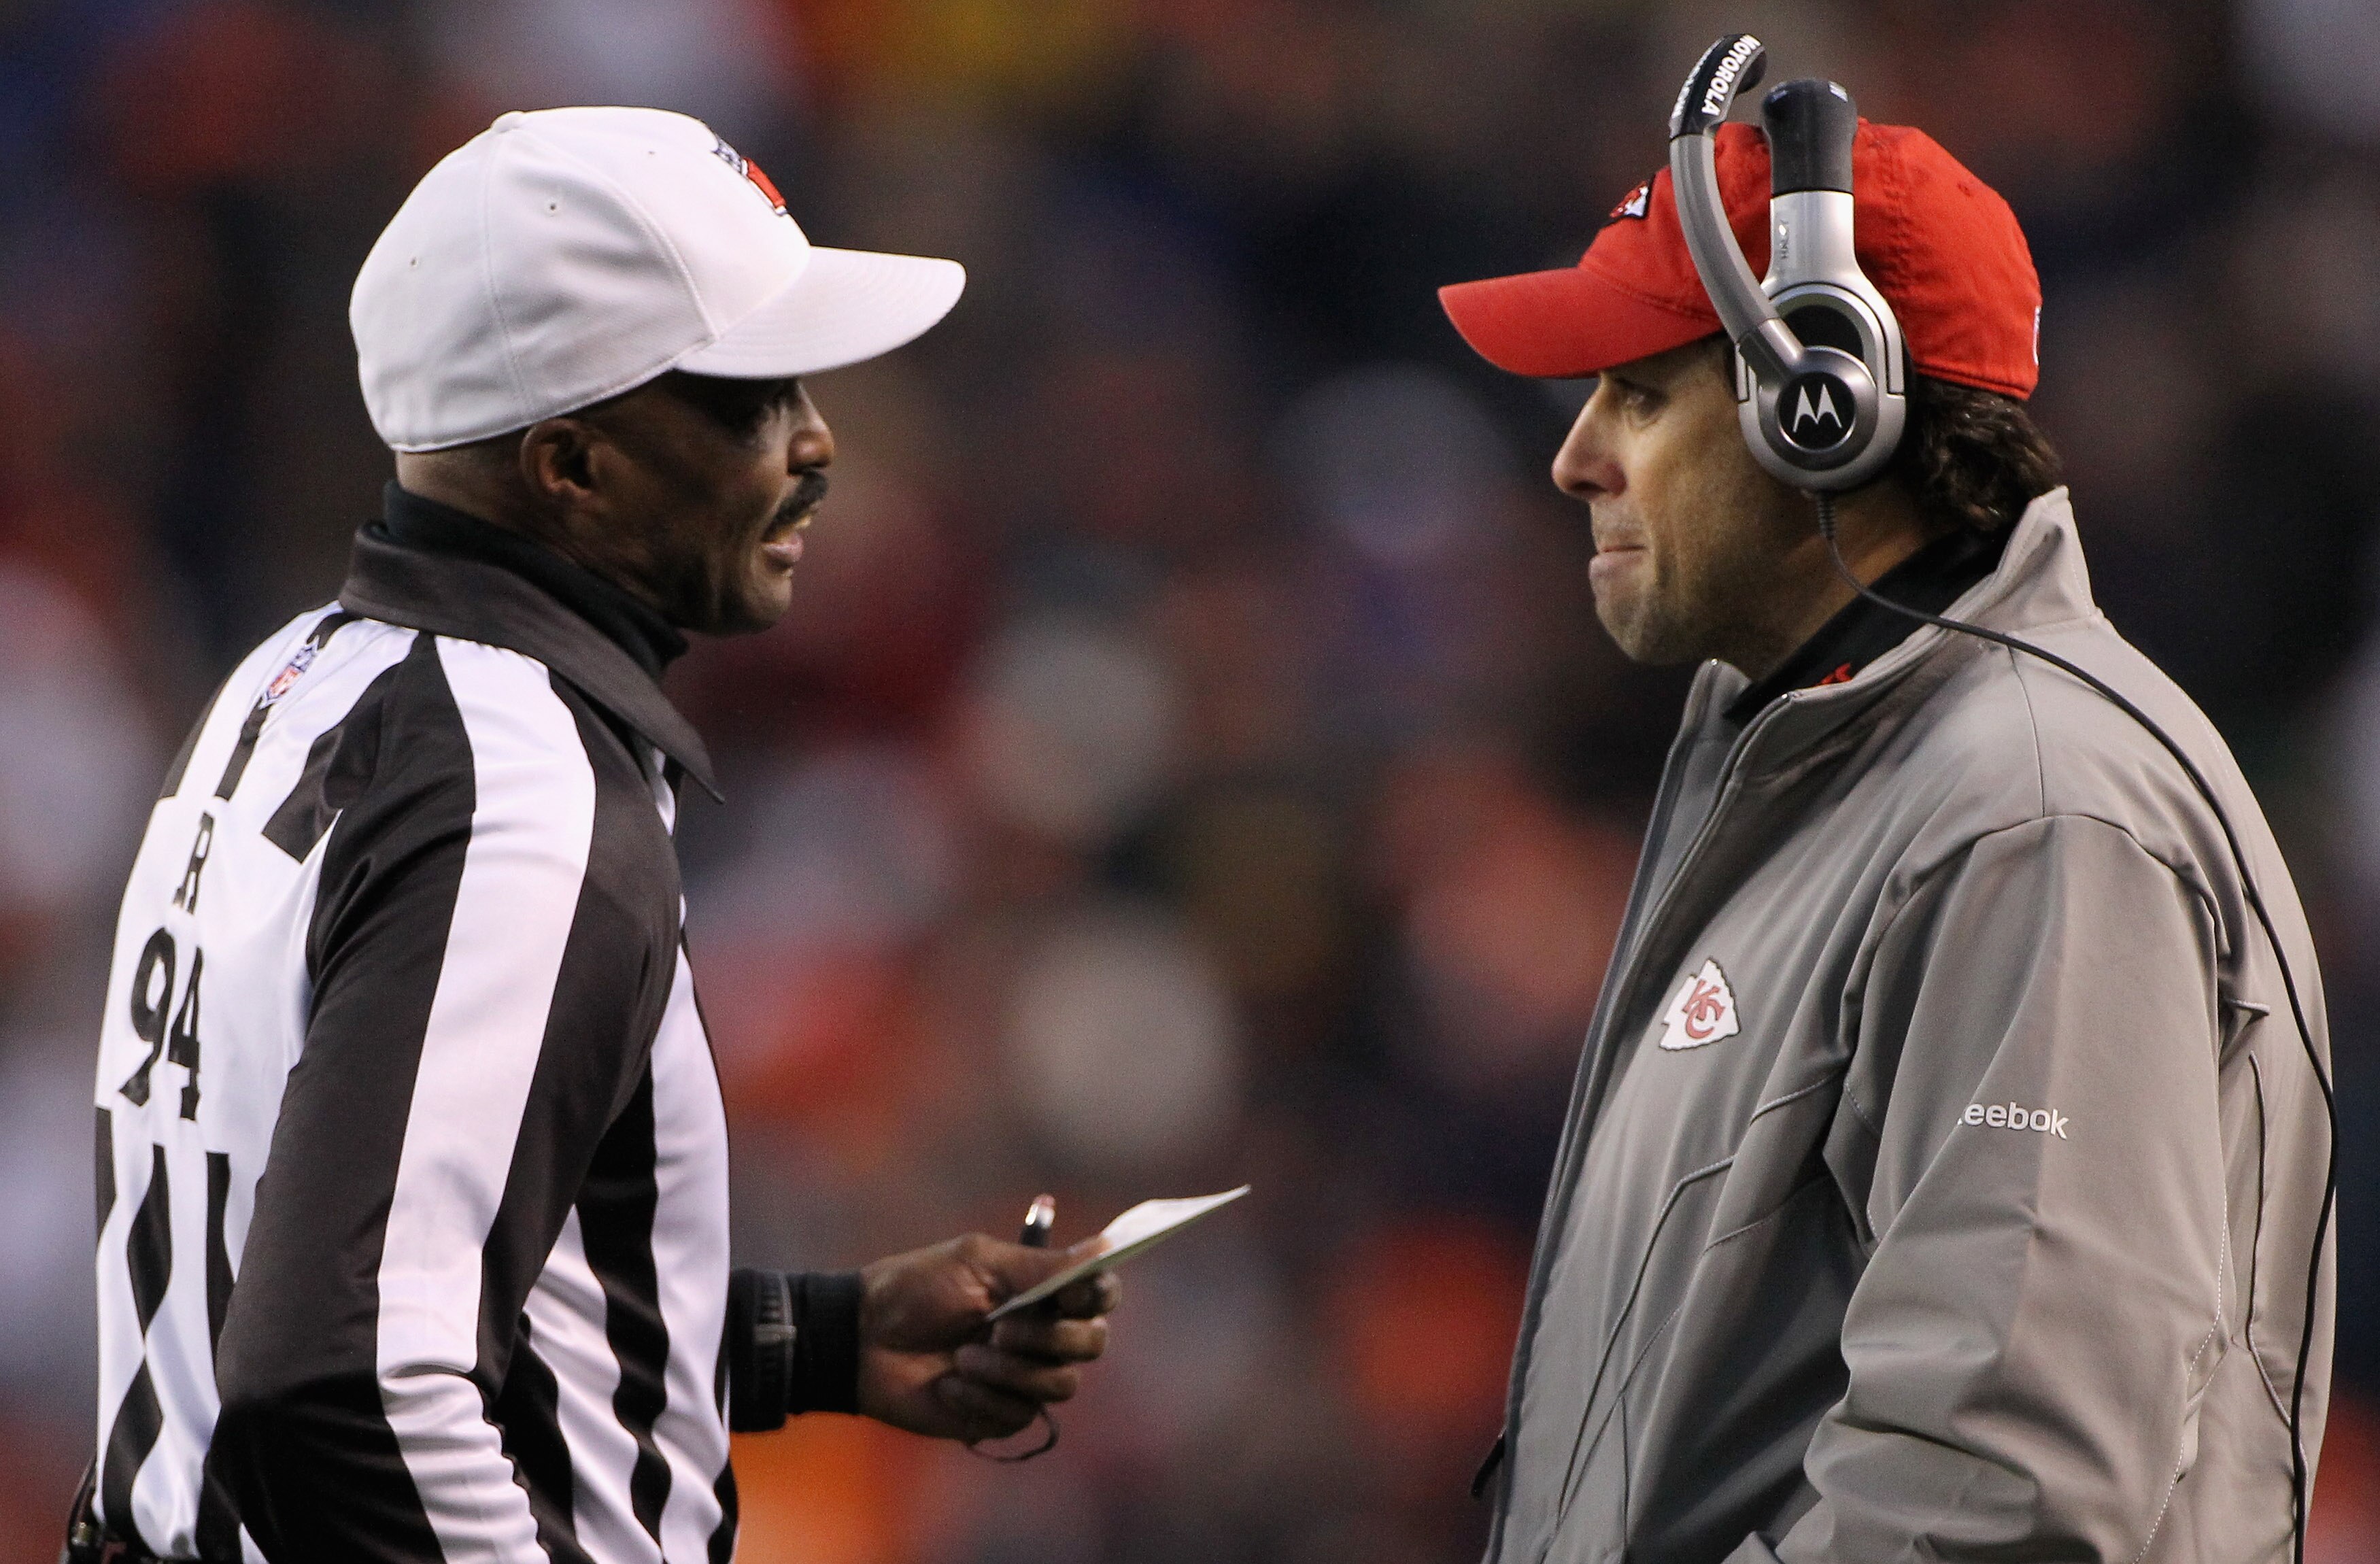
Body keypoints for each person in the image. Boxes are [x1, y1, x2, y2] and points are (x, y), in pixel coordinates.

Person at [75, 106, 1117, 1564]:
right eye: (751, 395)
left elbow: (379, 1273)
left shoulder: (296, 678)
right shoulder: (517, 793)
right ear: (572, 465)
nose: (818, 440)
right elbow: (337, 1380)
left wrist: (815, 1338)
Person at [1434, 107, 2334, 1564]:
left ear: (1824, 415)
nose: (1575, 459)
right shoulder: (1828, 762)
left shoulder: (2035, 817)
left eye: (1640, 398)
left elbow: (1997, 1499)